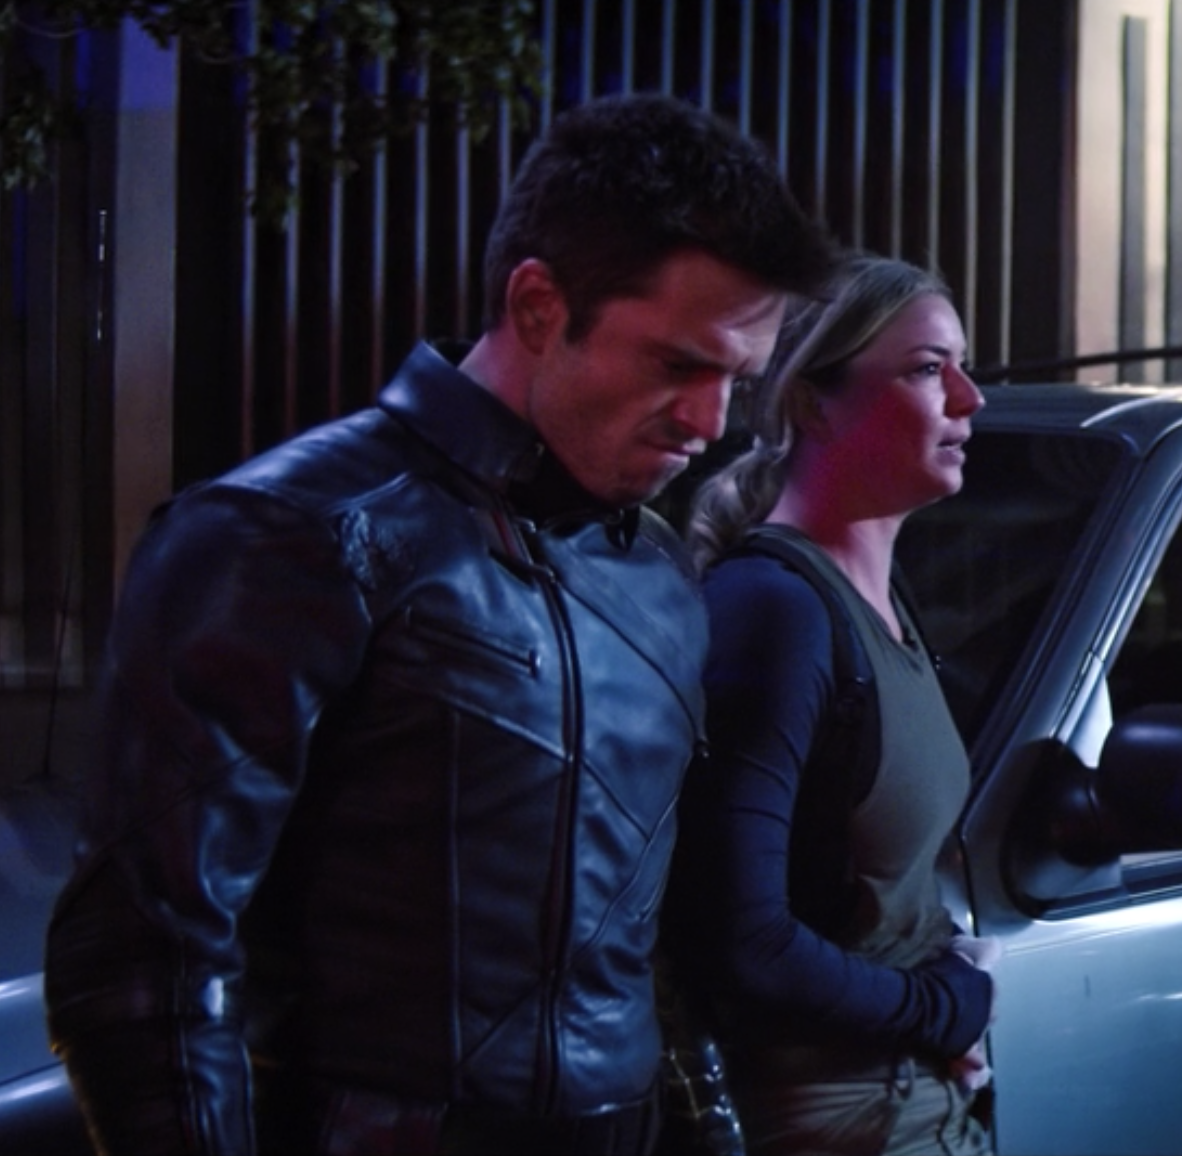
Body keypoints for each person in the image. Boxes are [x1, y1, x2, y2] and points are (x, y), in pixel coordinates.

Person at [44, 94, 833, 1155]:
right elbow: (147, 954)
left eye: (737, 380)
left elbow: (648, 946)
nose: (711, 423)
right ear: (541, 307)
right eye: (678, 364)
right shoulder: (290, 532)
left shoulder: (653, 572)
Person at [667, 253, 996, 1155]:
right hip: (831, 1124)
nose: (970, 398)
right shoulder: (777, 612)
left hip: (916, 1105)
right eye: (929, 369)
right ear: (814, 402)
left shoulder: (884, 607)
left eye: (962, 366)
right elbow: (742, 940)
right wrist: (943, 1007)